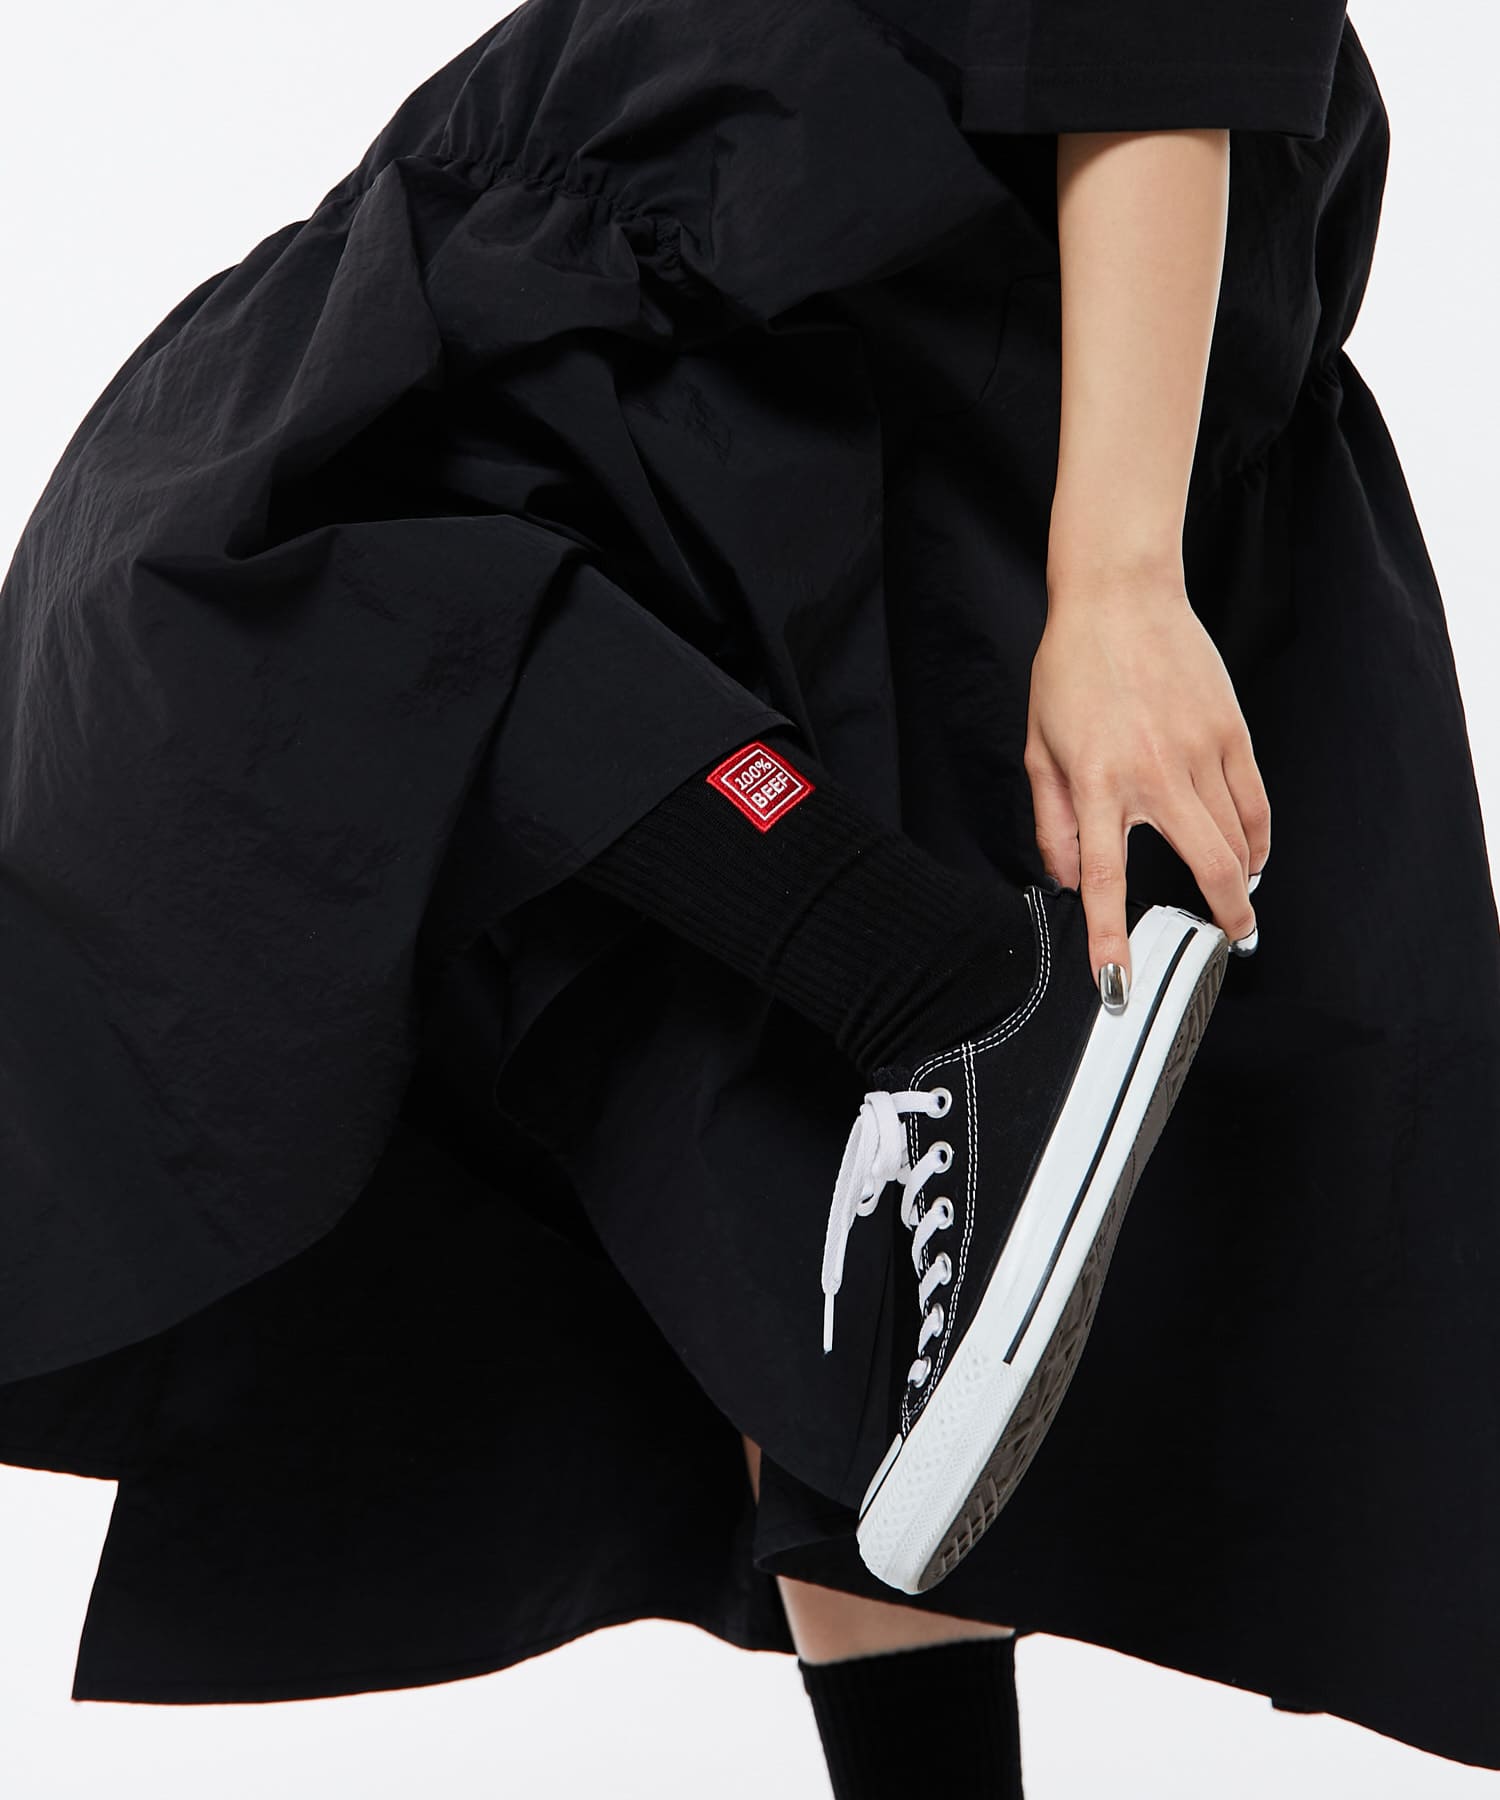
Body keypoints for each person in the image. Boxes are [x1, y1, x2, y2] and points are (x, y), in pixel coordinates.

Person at [1, 1, 1497, 1794]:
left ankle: (955, 990)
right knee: (829, 1300)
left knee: (247, 562)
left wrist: (1117, 574)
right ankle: (945, 1010)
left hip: (814, 248)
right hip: (793, 302)